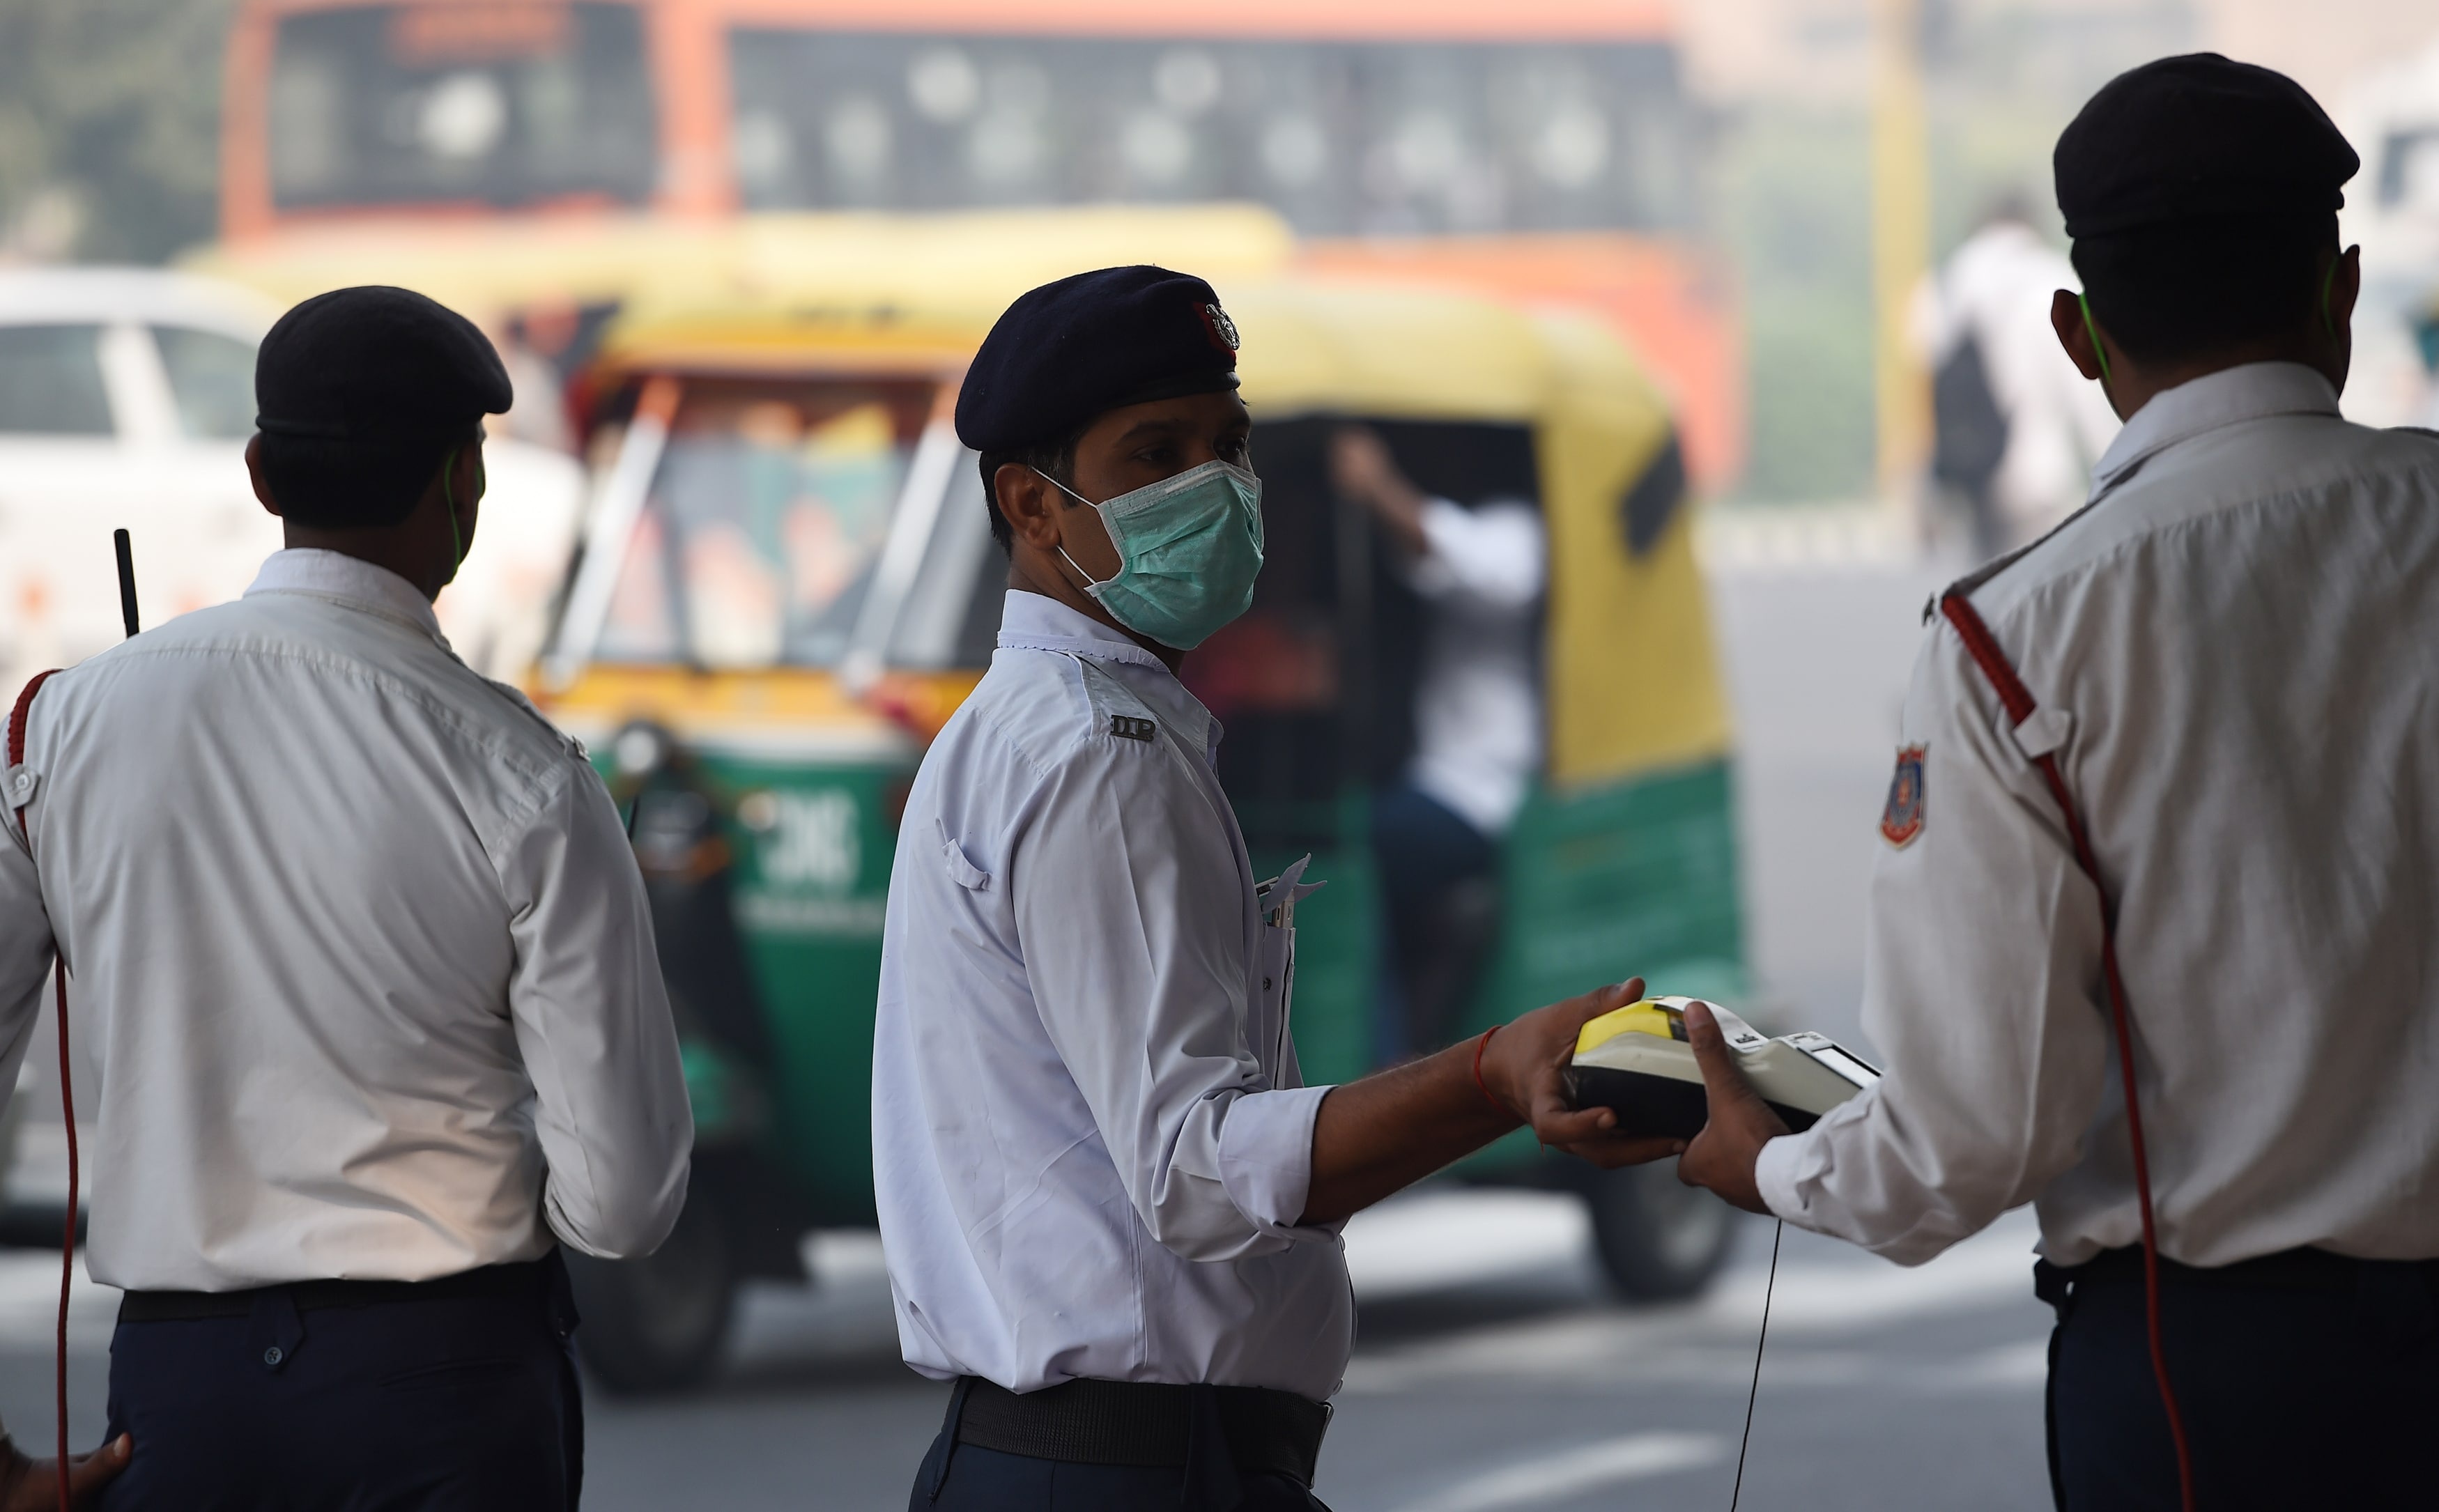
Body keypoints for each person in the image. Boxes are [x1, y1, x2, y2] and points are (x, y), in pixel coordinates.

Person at [1664, 56, 2439, 1511]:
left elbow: (1978, 1134)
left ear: (2078, 336)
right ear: (2339, 292)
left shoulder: (2010, 636)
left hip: (2215, 1380)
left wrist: (1763, 1166)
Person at [872, 266, 1674, 1511]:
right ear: (1033, 503)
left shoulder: (1055, 731)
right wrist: (1489, 1076)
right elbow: (1193, 1168)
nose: (1216, 487)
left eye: (1228, 446)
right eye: (1156, 453)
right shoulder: (1095, 757)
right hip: (1127, 1470)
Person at [0, 286, 693, 1508]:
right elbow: (627, 1206)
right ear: (462, 489)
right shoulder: (527, 777)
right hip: (447, 1390)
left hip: (180, 1392)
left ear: (263, 474)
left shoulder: (58, 732)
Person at [1327, 428, 1545, 1060]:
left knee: (1354, 850)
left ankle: (1380, 1070)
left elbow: (1463, 560)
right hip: (1428, 782)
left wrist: (1378, 487)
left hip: (1477, 793)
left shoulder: (1518, 529)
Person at [1914, 196, 2121, 558]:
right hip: (2038, 477)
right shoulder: (2051, 280)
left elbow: (1923, 397)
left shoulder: (1941, 287)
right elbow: (2085, 393)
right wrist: (2119, 474)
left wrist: (1922, 493)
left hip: (1969, 478)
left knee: (1987, 597)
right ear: (2031, 225)